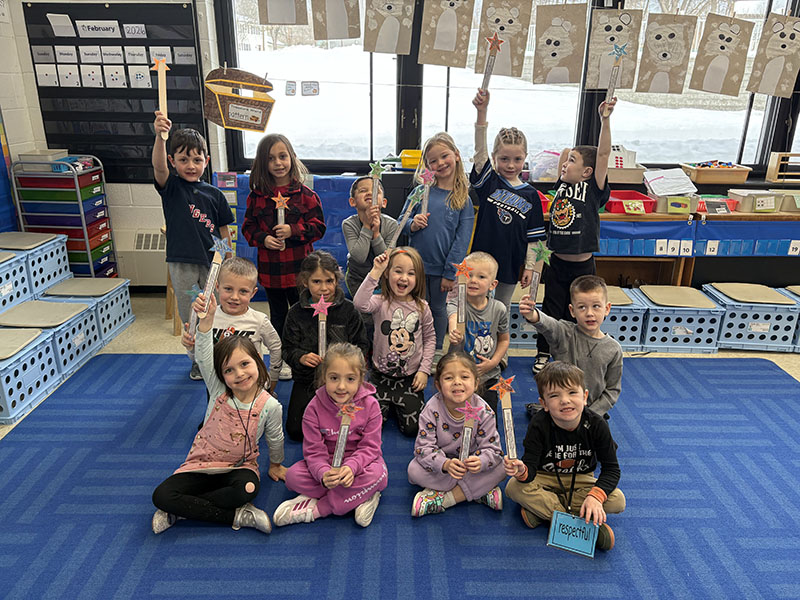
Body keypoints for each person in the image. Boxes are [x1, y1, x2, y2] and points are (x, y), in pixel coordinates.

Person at [152, 293, 286, 535]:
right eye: (229, 370)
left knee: (246, 489)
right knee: (161, 495)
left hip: (239, 468)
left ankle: (183, 508)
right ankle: (236, 516)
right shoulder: (218, 391)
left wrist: (275, 464)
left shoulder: (270, 405)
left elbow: (275, 438)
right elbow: (204, 357)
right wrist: (207, 321)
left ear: (258, 362)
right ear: (222, 376)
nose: (240, 374)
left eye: (245, 364)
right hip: (201, 466)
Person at [504, 361, 625, 551]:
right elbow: (530, 469)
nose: (565, 400)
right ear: (543, 403)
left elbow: (612, 469)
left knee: (617, 500)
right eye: (554, 395)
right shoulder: (538, 424)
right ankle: (581, 525)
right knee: (513, 487)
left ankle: (544, 512)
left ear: (584, 396)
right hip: (545, 476)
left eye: (572, 393)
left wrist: (595, 497)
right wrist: (521, 471)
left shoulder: (597, 424)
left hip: (581, 479)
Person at [534, 98, 617, 375]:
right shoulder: (561, 185)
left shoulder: (593, 188)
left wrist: (604, 120)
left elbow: (603, 155)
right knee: (551, 310)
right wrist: (569, 158)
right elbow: (565, 157)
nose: (565, 164)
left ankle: (582, 353)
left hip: (583, 266)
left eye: (573, 162)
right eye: (566, 160)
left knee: (583, 309)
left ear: (587, 172)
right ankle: (544, 353)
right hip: (556, 262)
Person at [152, 111, 234, 380]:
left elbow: (223, 230)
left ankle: (220, 354)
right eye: (183, 159)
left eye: (197, 159)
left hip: (213, 264)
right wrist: (160, 137)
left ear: (206, 161)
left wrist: (227, 260)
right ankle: (198, 359)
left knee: (218, 308)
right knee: (191, 313)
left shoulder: (215, 194)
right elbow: (158, 169)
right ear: (172, 161)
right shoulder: (171, 187)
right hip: (182, 261)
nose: (190, 165)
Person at [273, 343, 388, 527]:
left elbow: (370, 447)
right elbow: (313, 452)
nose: (341, 387)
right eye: (334, 378)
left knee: (380, 474)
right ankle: (360, 496)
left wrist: (351, 468)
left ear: (360, 379)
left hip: (360, 465)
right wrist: (323, 473)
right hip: (328, 462)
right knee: (293, 476)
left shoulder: (371, 405)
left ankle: (319, 509)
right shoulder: (313, 408)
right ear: (324, 377)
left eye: (350, 379)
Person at [242, 133, 326, 380]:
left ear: (291, 157)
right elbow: (248, 228)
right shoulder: (257, 197)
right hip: (272, 272)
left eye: (282, 156)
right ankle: (284, 357)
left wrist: (294, 230)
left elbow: (318, 228)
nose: (278, 163)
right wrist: (263, 239)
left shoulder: (306, 195)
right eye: (271, 159)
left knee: (304, 312)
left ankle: (309, 354)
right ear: (262, 163)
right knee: (278, 316)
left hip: (301, 271)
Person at [470, 90, 547, 309]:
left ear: (525, 158)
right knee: (474, 307)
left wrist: (530, 267)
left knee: (499, 310)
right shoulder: (489, 182)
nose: (511, 165)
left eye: (517, 159)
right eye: (504, 159)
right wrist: (481, 113)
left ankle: (494, 344)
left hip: (510, 266)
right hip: (480, 263)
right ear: (494, 158)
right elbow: (479, 152)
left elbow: (535, 239)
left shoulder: (531, 195)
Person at [282, 251, 368, 441]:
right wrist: (301, 357)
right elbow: (287, 349)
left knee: (353, 429)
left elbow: (361, 345)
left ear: (336, 280)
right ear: (305, 281)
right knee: (296, 431)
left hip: (342, 380)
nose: (323, 288)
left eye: (329, 281)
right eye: (316, 282)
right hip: (307, 379)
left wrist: (347, 366)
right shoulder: (296, 313)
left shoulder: (348, 310)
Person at [399, 132, 474, 351]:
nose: (440, 163)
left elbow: (462, 240)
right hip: (416, 266)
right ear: (427, 166)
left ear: (457, 156)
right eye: (433, 160)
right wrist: (412, 224)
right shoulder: (420, 192)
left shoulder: (463, 199)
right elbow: (399, 223)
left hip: (443, 269)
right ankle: (415, 348)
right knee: (417, 307)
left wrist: (450, 273)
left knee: (439, 309)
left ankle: (437, 350)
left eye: (444, 156)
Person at [407, 351, 506, 517]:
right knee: (413, 471)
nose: (457, 382)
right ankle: (480, 491)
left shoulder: (484, 411)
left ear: (476, 383)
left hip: (472, 466)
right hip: (445, 465)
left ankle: (445, 498)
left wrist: (481, 462)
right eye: (449, 378)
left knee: (503, 467)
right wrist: (445, 464)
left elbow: (494, 450)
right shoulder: (431, 410)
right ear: (438, 385)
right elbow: (423, 448)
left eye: (465, 377)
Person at [353, 247, 435, 437]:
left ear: (418, 278)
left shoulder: (422, 307)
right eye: (398, 271)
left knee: (412, 430)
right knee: (371, 428)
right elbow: (359, 303)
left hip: (409, 379)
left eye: (411, 273)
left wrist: (424, 370)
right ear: (388, 273)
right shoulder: (380, 301)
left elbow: (430, 338)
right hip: (380, 376)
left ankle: (395, 405)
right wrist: (376, 271)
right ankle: (386, 405)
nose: (404, 278)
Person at [519, 274, 622, 419]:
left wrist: (592, 413)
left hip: (592, 411)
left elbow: (612, 389)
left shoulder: (614, 349)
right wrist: (532, 314)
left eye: (596, 306)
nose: (589, 313)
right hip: (561, 407)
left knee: (601, 440)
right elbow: (548, 325)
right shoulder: (564, 333)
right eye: (582, 307)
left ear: (607, 308)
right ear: (572, 311)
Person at [181, 257, 282, 392]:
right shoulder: (209, 318)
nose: (235, 297)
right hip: (217, 385)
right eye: (228, 289)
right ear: (217, 286)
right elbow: (199, 359)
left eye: (243, 291)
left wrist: (273, 377)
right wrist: (191, 348)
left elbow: (276, 347)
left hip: (251, 386)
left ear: (253, 293)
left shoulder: (259, 320)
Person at [446, 252, 509, 417]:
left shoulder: (499, 309)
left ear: (492, 284)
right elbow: (453, 318)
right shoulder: (456, 304)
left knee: (488, 421)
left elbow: (504, 339)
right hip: (458, 375)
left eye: (481, 276)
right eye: (469, 275)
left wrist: (494, 362)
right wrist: (454, 332)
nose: (473, 280)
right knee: (455, 420)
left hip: (488, 376)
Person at [342, 176, 400, 345]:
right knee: (363, 316)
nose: (370, 193)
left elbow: (387, 260)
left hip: (383, 279)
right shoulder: (349, 224)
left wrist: (376, 235)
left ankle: (382, 348)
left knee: (383, 315)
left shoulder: (391, 225)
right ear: (353, 202)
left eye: (376, 191)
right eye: (363, 190)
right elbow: (359, 257)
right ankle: (363, 349)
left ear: (384, 202)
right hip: (358, 277)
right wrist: (367, 227)